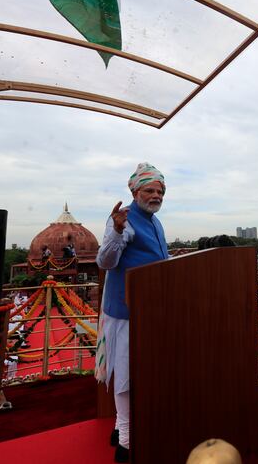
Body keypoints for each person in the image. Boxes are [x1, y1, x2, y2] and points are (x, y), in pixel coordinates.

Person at [96, 162, 169, 463]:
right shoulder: (124, 219)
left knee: (137, 372)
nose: (156, 195)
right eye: (150, 190)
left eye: (160, 191)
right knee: (126, 375)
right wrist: (115, 230)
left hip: (148, 311)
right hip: (126, 312)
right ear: (135, 191)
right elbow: (105, 261)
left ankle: (118, 427)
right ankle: (126, 440)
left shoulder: (154, 221)